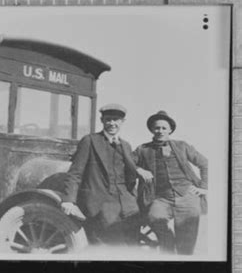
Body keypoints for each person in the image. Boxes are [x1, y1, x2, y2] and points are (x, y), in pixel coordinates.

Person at [61, 104, 153, 245]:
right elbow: (75, 172)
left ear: (122, 122)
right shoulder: (90, 141)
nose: (112, 123)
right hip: (101, 199)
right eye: (108, 119)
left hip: (126, 198)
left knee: (134, 231)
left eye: (116, 120)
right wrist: (68, 200)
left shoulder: (126, 145)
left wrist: (139, 170)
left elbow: (130, 168)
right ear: (102, 120)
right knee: (112, 237)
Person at [134, 110, 208, 255]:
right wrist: (138, 169)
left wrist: (204, 187)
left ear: (170, 130)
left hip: (187, 196)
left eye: (164, 128)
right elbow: (128, 164)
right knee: (154, 217)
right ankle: (168, 245)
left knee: (186, 244)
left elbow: (204, 163)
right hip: (161, 197)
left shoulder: (181, 146)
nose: (160, 131)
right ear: (151, 129)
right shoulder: (143, 149)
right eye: (157, 128)